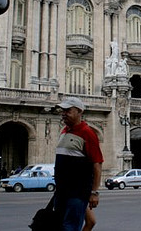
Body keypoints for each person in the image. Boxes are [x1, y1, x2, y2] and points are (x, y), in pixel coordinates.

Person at [54, 97, 103, 231]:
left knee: (69, 227)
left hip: (77, 192)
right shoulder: (64, 131)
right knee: (62, 225)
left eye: (68, 110)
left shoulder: (87, 133)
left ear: (79, 111)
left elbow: (97, 164)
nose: (63, 113)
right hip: (61, 192)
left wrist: (94, 192)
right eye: (62, 110)